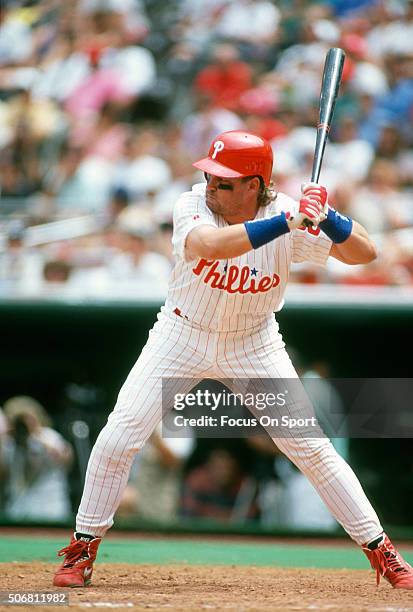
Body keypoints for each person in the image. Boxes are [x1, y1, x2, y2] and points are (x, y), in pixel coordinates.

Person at [53, 130, 413, 590]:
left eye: (225, 182)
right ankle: (83, 546)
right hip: (181, 334)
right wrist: (288, 221)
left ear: (254, 184)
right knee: (119, 435)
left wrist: (329, 218)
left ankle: (382, 551)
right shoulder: (194, 207)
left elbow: (365, 253)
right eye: (211, 177)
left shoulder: (289, 213)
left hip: (253, 344)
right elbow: (209, 246)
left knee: (312, 449)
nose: (211, 187)